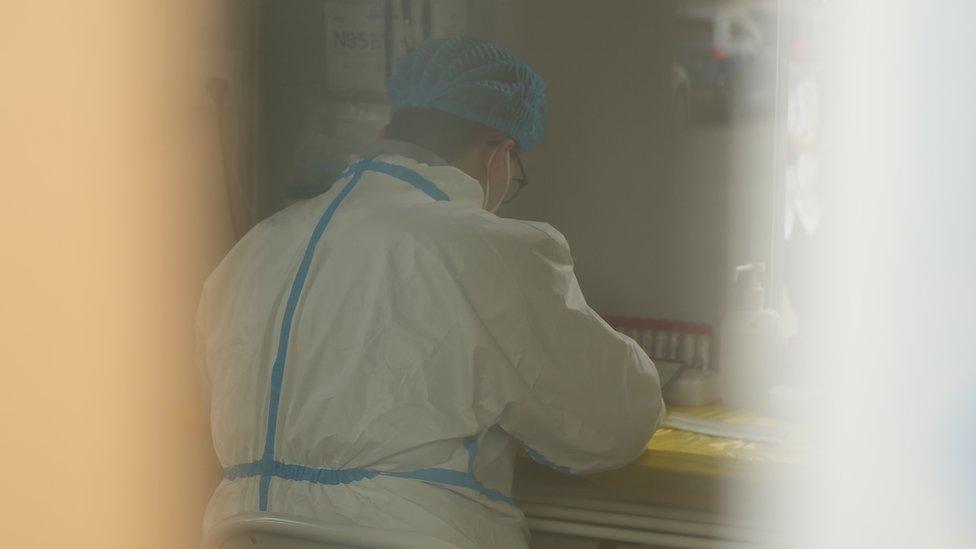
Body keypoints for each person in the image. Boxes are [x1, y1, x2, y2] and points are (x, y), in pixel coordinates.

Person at [198, 36, 664, 548]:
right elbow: (613, 424)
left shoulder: (253, 249)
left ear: (386, 133)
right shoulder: (483, 247)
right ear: (499, 153)